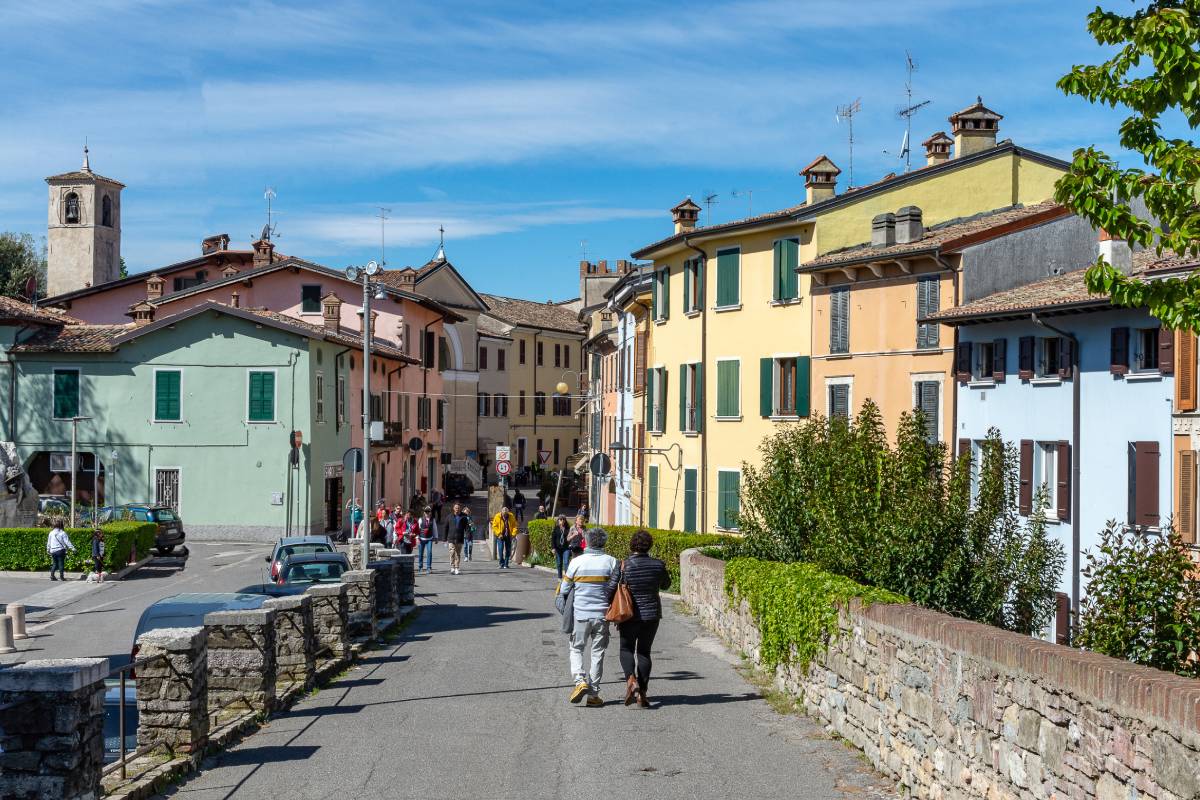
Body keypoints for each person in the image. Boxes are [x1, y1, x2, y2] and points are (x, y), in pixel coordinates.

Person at [609, 530, 671, 708]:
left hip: (628, 615)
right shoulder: (658, 564)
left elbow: (610, 589)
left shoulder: (623, 565)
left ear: (632, 545)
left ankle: (631, 680)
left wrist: (608, 607)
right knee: (644, 652)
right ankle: (642, 693)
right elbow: (666, 585)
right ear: (649, 545)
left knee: (626, 648)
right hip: (651, 615)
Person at [557, 527, 617, 706]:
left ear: (587, 542)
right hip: (603, 615)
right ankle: (593, 695)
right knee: (598, 653)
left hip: (581, 614)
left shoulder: (577, 562)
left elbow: (564, 589)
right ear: (604, 542)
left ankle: (580, 681)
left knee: (576, 648)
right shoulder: (611, 562)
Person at [416, 506, 438, 574]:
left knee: (429, 552)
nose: (427, 513)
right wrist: (417, 538)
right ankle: (420, 567)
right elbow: (417, 529)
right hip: (421, 538)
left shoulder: (433, 519)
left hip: (429, 539)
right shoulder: (420, 519)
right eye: (426, 512)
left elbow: (435, 529)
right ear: (424, 512)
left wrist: (436, 537)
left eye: (428, 511)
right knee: (421, 553)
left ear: (430, 512)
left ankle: (429, 567)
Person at [449, 507, 469, 575]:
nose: (457, 509)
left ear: (460, 509)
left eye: (458, 508)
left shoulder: (463, 517)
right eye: (456, 508)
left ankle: (457, 567)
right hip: (451, 537)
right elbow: (446, 526)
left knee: (457, 553)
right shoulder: (450, 516)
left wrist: (467, 535)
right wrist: (444, 538)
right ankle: (452, 567)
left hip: (460, 538)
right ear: (453, 508)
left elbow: (467, 527)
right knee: (452, 552)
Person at [551, 515, 572, 579]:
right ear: (558, 521)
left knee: (566, 562)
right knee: (559, 563)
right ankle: (560, 577)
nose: (562, 521)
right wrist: (553, 548)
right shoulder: (556, 528)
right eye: (561, 519)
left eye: (563, 519)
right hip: (558, 548)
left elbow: (570, 538)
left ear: (565, 521)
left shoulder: (568, 528)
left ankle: (567, 578)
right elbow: (553, 539)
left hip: (566, 548)